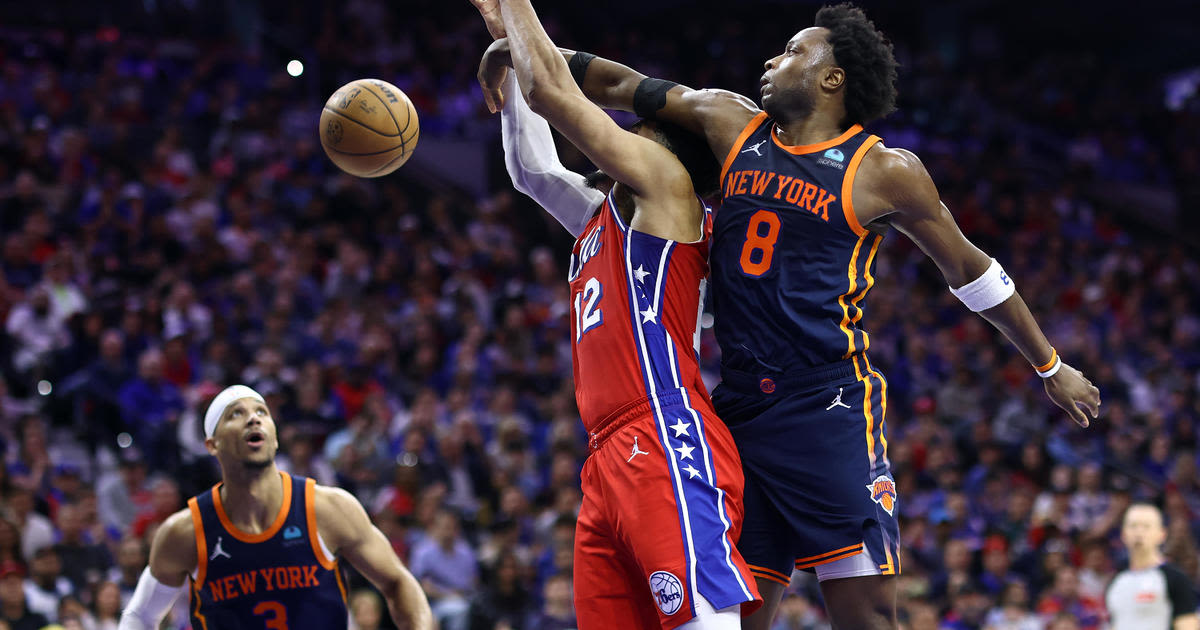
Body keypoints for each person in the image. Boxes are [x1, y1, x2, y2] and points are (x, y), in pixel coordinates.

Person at [476, 3, 1103, 628]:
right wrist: (523, 47)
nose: (773, 60)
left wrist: (1049, 365)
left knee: (863, 617)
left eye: (795, 51)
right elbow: (615, 85)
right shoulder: (728, 120)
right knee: (736, 612)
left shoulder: (884, 171)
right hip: (741, 409)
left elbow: (969, 269)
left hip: (825, 405)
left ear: (833, 79)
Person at [468, 1, 761, 628]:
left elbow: (552, 90)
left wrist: (517, 14)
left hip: (663, 433)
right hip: (606, 455)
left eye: (633, 128)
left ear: (661, 149)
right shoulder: (609, 217)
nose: (615, 135)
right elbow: (533, 170)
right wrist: (512, 48)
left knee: (701, 619)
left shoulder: (667, 189)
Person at [118, 385, 433, 629]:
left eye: (262, 412)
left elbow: (399, 581)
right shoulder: (185, 532)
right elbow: (140, 617)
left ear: (275, 436)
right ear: (212, 445)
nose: (253, 418)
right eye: (235, 414)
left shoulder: (328, 508)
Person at [1105, 503, 1199, 630]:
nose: (1139, 532)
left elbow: (1188, 625)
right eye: (1133, 526)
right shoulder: (1115, 581)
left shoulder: (1176, 579)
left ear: (1162, 534)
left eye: (1146, 526)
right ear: (1123, 534)